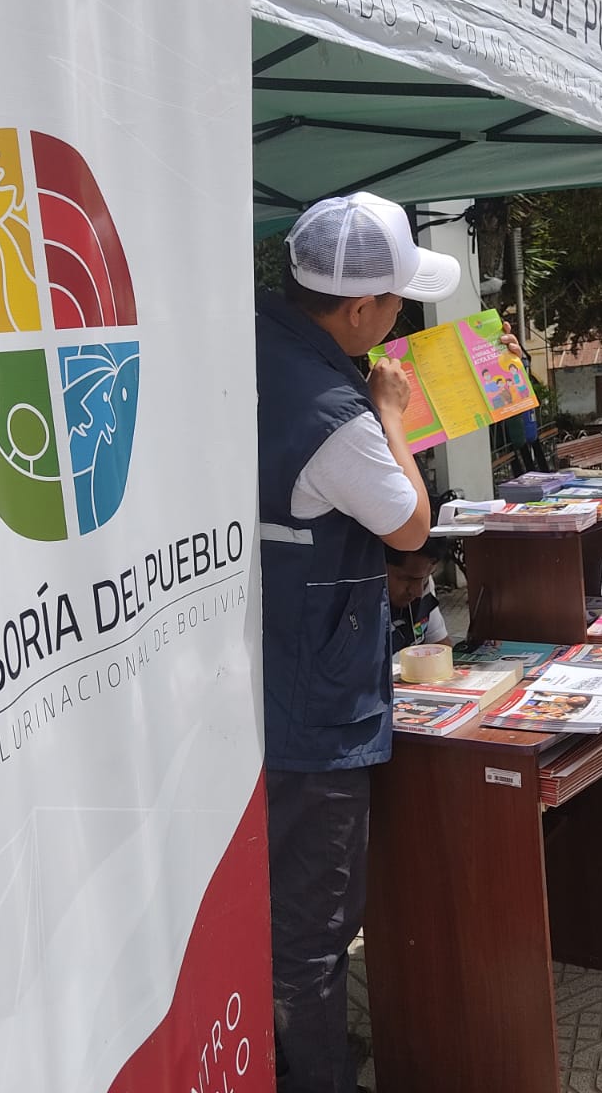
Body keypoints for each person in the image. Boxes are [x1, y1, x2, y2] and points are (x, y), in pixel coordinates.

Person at [257, 190, 460, 1093]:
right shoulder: (336, 413)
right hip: (310, 701)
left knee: (278, 903)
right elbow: (411, 525)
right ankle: (317, 1077)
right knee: (314, 921)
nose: (401, 316)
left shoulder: (253, 341)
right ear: (356, 310)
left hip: (260, 667)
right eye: (395, 302)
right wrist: (388, 412)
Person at [387, 534, 452, 656]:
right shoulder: (364, 609)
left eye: (426, 578)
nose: (418, 592)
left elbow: (441, 647)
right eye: (407, 579)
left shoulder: (423, 585)